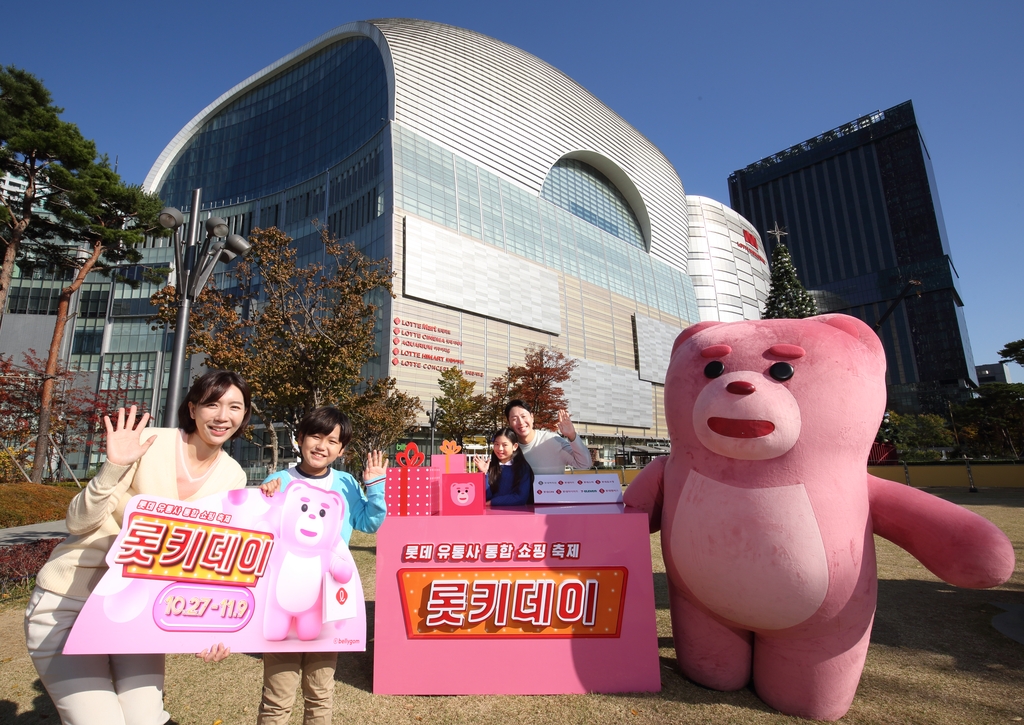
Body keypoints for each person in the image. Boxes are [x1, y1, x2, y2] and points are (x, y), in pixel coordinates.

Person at [24, 370, 252, 725]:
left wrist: (211, 627)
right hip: (69, 602)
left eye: (234, 407)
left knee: (146, 719)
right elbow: (78, 523)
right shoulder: (148, 442)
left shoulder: (233, 475)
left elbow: (205, 561)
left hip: (136, 613)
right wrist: (114, 465)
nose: (223, 416)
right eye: (212, 404)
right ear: (192, 409)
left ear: (244, 415)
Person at [256, 406, 387, 725]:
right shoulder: (280, 480)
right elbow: (261, 529)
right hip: (283, 598)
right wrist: (265, 496)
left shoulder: (345, 483)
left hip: (329, 601)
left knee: (320, 694)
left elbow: (369, 523)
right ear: (299, 438)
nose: (322, 445)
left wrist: (375, 486)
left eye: (332, 440)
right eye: (315, 435)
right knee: (277, 696)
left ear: (341, 450)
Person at [504, 399, 591, 475]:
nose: (521, 422)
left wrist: (572, 435)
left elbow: (584, 464)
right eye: (514, 419)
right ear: (509, 423)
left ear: (532, 417)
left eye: (523, 416)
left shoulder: (553, 441)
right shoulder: (508, 448)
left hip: (555, 492)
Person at [473, 428, 535, 506]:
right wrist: (483, 473)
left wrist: (493, 502)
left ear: (515, 446)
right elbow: (482, 496)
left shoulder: (522, 468)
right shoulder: (489, 466)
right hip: (490, 515)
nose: (500, 449)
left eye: (505, 445)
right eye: (496, 444)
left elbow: (521, 497)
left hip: (516, 514)